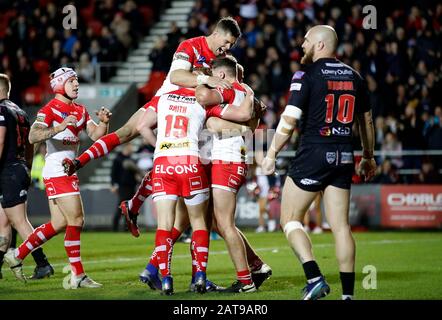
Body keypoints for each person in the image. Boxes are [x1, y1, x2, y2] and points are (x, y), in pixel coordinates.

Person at [261, 25, 377, 300]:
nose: (302, 45)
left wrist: (271, 153)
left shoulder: (307, 74)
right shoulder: (355, 76)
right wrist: (368, 157)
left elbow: (289, 119)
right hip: (344, 156)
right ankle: (348, 295)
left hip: (314, 153)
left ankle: (314, 278)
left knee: (289, 219)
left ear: (321, 45)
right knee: (340, 227)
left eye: (306, 41)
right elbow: (366, 121)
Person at [136, 81, 255, 295]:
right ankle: (199, 277)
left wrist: (161, 147)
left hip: (163, 162)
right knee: (200, 221)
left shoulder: (163, 97)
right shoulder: (203, 100)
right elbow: (240, 115)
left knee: (164, 224)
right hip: (190, 162)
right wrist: (248, 114)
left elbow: (141, 126)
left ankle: (165, 279)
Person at [4, 68, 112, 288]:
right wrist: (59, 127)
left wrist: (104, 123)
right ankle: (78, 276)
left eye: (77, 81)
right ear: (60, 85)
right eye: (72, 81)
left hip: (67, 170)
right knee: (77, 220)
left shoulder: (80, 110)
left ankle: (17, 254)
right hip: (57, 169)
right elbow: (33, 136)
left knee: (59, 223)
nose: (77, 85)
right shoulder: (50, 109)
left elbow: (95, 135)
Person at [0, 73, 54, 281]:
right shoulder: (21, 111)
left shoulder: (2, 110)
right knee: (3, 224)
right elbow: (32, 141)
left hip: (9, 171)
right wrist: (28, 167)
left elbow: (1, 141)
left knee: (19, 222)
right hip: (19, 168)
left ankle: (43, 263)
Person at [111, 143, 140, 231]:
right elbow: (113, 173)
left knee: (129, 207)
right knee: (122, 206)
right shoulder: (118, 159)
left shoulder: (131, 159)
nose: (131, 149)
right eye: (130, 147)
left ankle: (126, 227)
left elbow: (135, 174)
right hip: (123, 186)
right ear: (126, 147)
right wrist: (113, 184)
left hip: (132, 186)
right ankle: (115, 226)